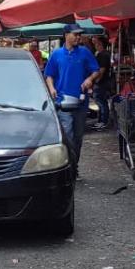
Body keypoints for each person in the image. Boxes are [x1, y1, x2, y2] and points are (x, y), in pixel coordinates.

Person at [44, 26, 100, 177]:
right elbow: (49, 74)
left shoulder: (84, 52)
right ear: (66, 35)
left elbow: (96, 70)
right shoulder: (56, 54)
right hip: (62, 101)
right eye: (75, 35)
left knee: (78, 136)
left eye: (79, 35)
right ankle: (68, 169)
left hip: (81, 101)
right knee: (67, 134)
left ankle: (74, 167)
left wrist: (89, 79)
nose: (78, 37)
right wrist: (51, 88)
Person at [91, 34, 113, 130]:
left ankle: (103, 121)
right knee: (100, 102)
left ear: (100, 44)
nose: (94, 44)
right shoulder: (104, 54)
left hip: (102, 82)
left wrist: (97, 80)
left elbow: (102, 69)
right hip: (102, 81)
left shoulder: (103, 55)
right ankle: (101, 121)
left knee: (101, 102)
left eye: (96, 43)